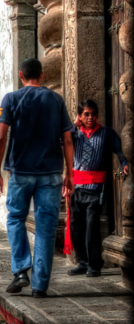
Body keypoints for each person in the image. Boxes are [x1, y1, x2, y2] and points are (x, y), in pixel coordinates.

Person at [0, 58, 74, 298]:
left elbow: (1, 138)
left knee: (16, 218)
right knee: (46, 227)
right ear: (42, 75)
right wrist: (70, 172)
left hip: (20, 172)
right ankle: (40, 286)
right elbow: (68, 139)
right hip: (51, 173)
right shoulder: (56, 100)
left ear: (21, 75)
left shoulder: (11, 99)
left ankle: (20, 271)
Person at [64, 99, 128, 277]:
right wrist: (74, 125)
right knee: (77, 226)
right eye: (86, 114)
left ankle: (94, 265)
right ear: (80, 116)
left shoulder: (107, 133)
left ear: (97, 115)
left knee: (92, 226)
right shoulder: (74, 135)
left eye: (93, 114)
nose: (90, 117)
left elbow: (120, 150)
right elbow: (59, 139)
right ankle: (82, 263)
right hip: (76, 188)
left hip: (96, 188)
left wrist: (124, 163)